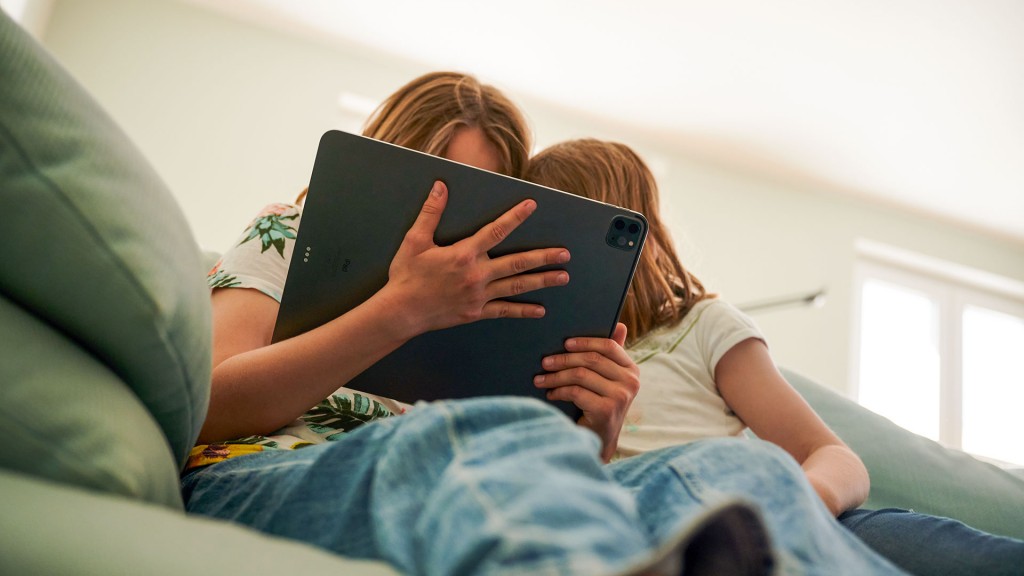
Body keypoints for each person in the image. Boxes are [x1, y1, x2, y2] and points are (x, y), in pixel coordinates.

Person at [183, 71, 907, 575]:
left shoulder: (487, 295)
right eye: (430, 196)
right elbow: (209, 404)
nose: (452, 246)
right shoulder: (289, 228)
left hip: (458, 471)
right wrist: (397, 311)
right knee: (466, 440)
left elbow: (539, 476)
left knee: (738, 469)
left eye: (476, 215)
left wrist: (596, 435)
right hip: (275, 469)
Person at [526, 137, 1024, 576]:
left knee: (962, 556)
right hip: (653, 530)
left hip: (771, 512)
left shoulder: (701, 325)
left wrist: (800, 504)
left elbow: (836, 458)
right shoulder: (538, 356)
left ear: (645, 235)